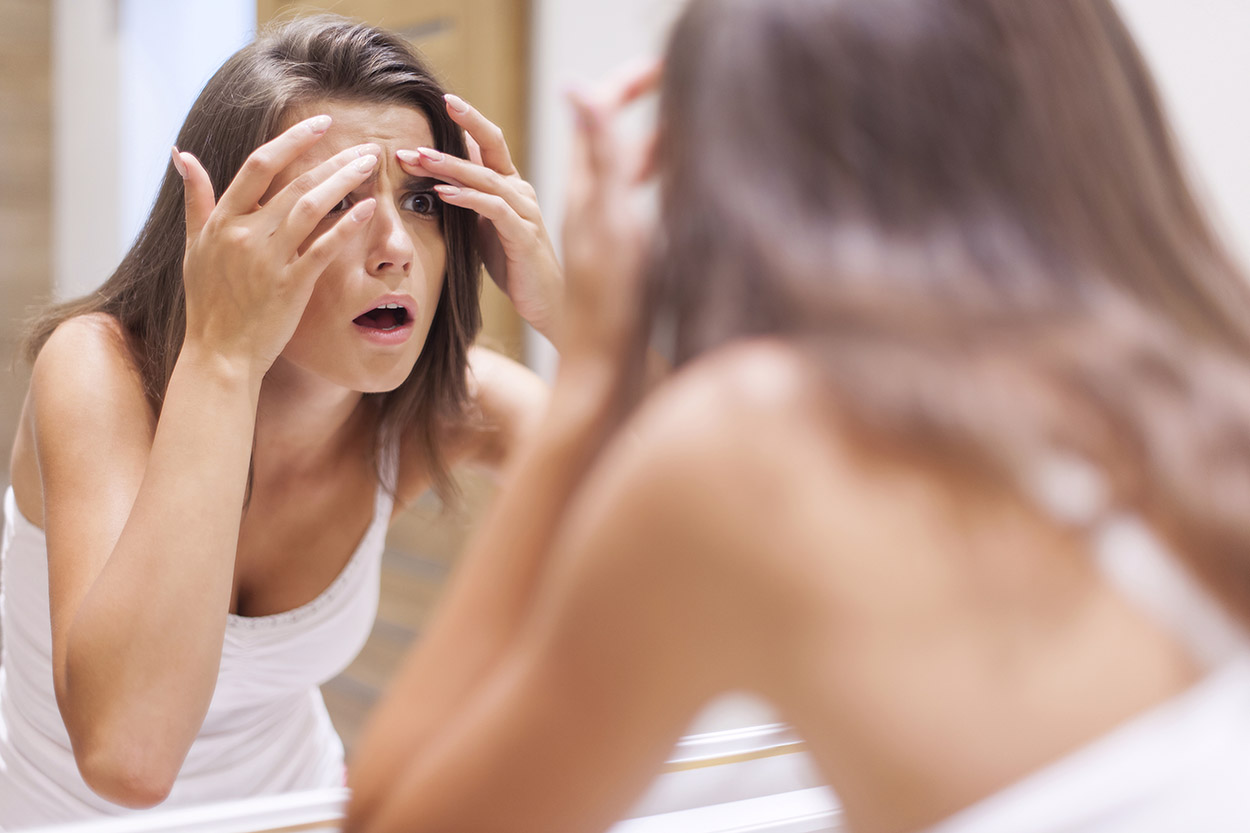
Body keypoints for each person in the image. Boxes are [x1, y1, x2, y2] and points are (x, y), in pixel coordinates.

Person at [344, 1, 1250, 831]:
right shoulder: (1208, 384)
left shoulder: (747, 443)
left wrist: (594, 371)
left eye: (419, 203)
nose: (390, 247)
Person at [0, 14, 563, 827]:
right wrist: (224, 356)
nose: (396, 246)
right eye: (336, 201)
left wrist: (575, 315)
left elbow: (714, 525)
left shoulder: (443, 405)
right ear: (231, 236)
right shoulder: (98, 369)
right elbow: (129, 754)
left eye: (419, 201)